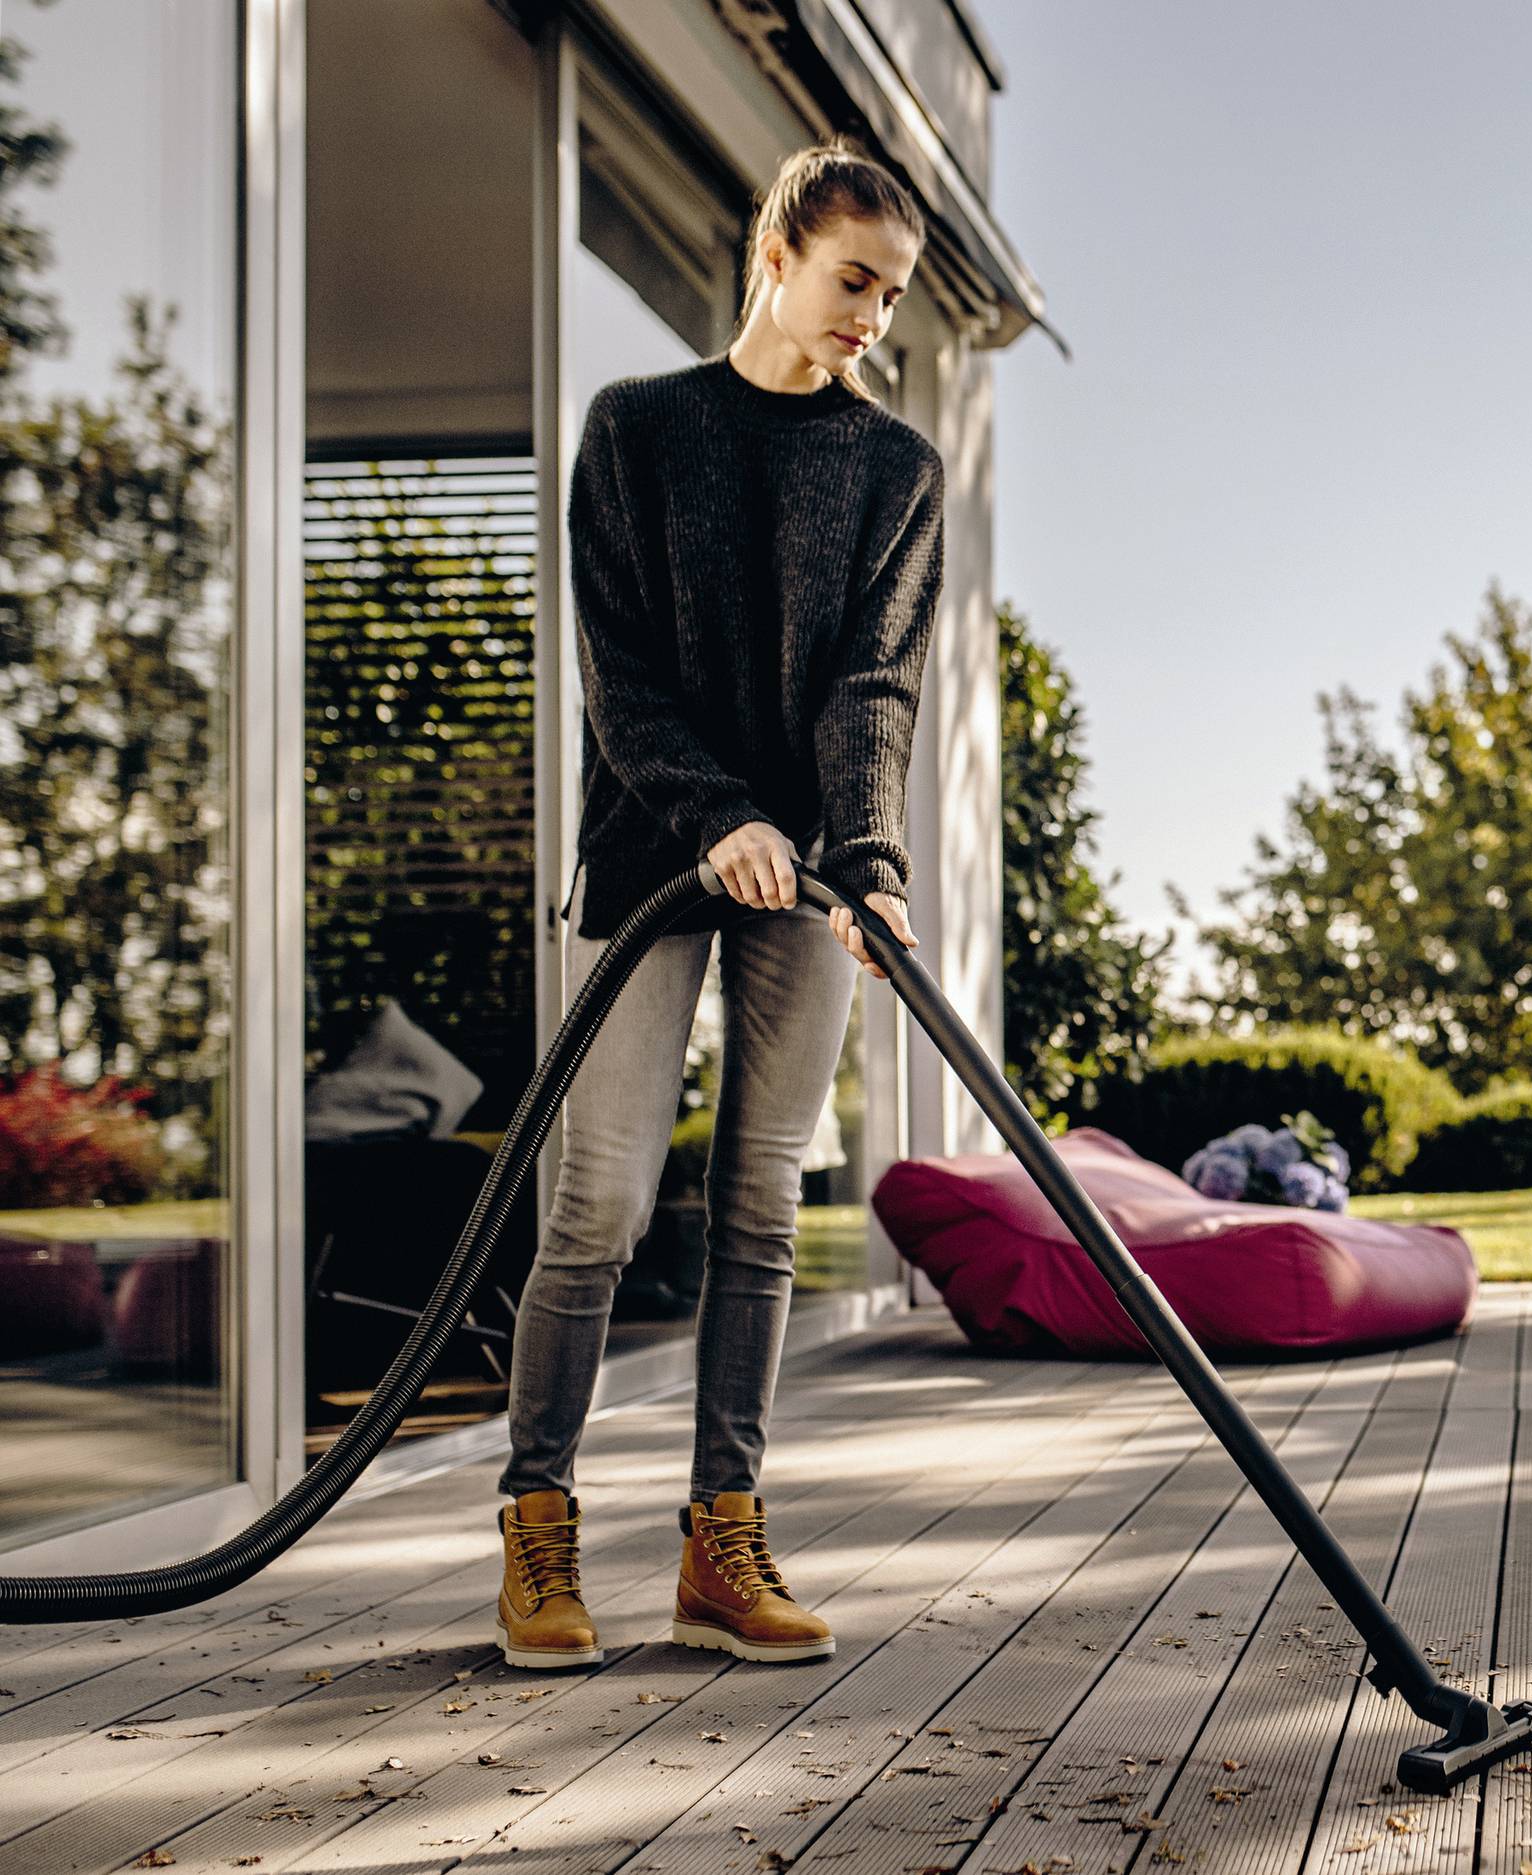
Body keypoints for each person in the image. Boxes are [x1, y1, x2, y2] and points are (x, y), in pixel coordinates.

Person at [493, 141, 945, 1671]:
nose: (872, 316)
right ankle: (540, 1531)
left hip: (805, 882)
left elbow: (873, 688)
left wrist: (866, 862)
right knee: (598, 1209)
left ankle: (722, 1542)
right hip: (648, 866)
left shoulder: (897, 470)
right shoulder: (636, 431)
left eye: (892, 294)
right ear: (775, 252)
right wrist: (721, 817)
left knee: (760, 1212)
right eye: (852, 281)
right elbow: (620, 680)